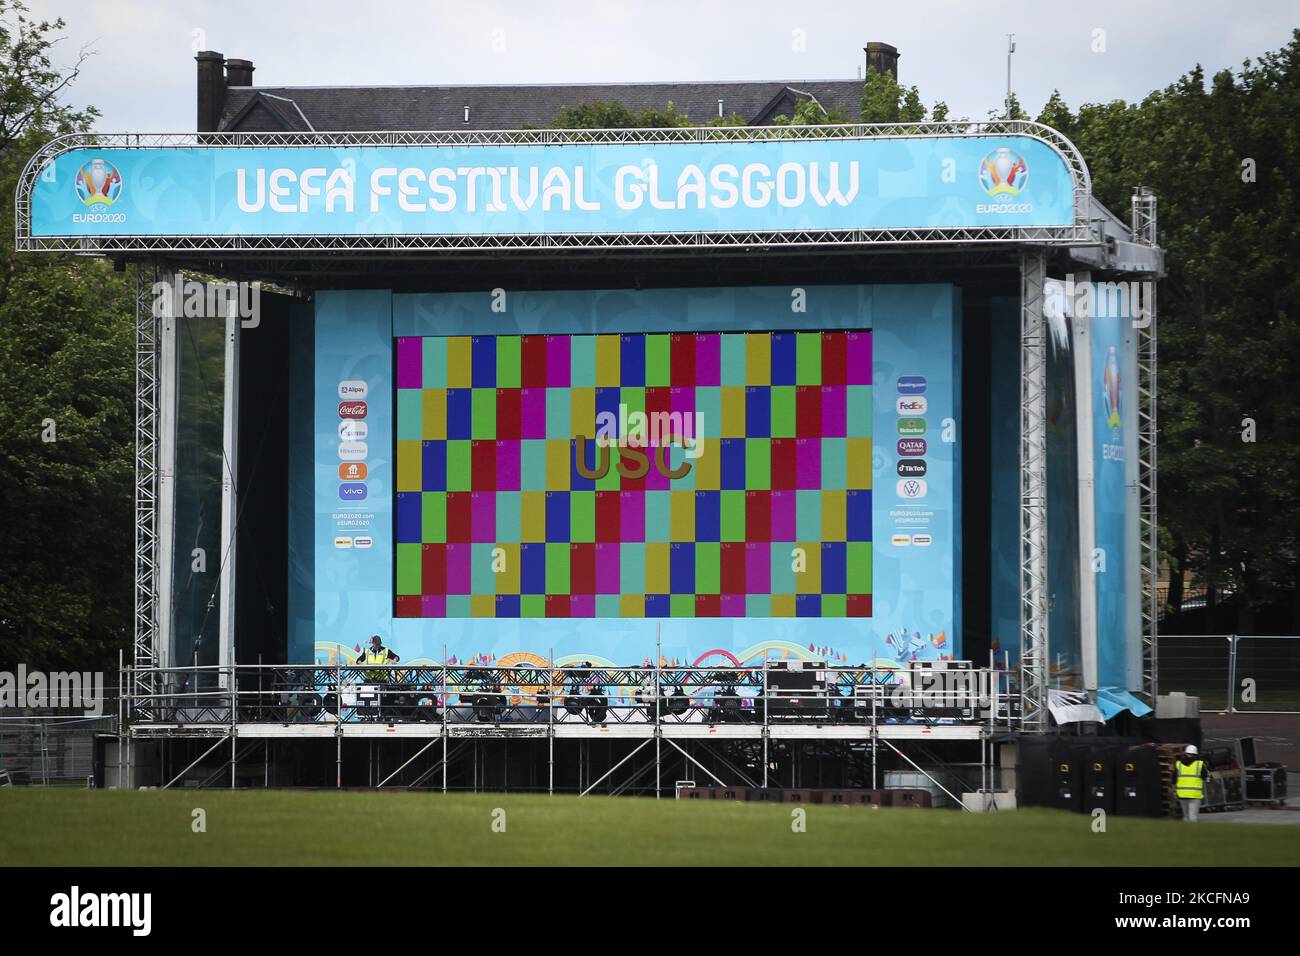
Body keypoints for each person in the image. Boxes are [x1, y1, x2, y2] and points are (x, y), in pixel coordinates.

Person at [1174, 744, 1209, 822]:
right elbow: (1206, 778)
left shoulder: (1178, 764)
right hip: (1194, 795)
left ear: (1185, 753)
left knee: (1186, 816)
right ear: (1196, 754)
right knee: (1193, 817)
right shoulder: (1199, 765)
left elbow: (1174, 780)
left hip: (1182, 794)